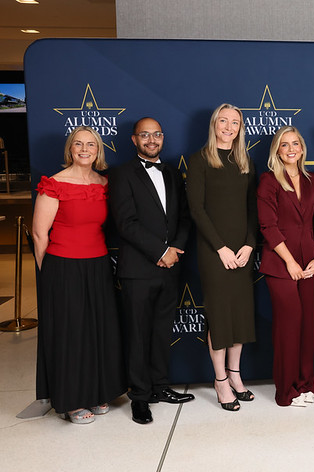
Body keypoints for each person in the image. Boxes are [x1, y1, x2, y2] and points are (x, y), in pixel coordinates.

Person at [31, 126, 126, 424]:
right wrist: (50, 275)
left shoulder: (104, 183)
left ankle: (98, 391)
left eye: (91, 145)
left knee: (98, 330)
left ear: (98, 150)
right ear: (70, 149)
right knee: (71, 334)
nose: (84, 149)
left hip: (97, 265)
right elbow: (38, 234)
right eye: (78, 144)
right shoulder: (55, 184)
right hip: (63, 266)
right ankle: (72, 401)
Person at [109, 117, 194, 425]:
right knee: (138, 334)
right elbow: (125, 222)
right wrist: (160, 251)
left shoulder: (173, 173)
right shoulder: (121, 175)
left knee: (161, 332)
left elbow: (185, 218)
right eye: (144, 135)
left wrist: (174, 251)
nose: (151, 139)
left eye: (156, 134)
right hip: (138, 269)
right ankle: (140, 397)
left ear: (162, 137)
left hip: (170, 267)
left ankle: (160, 386)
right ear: (134, 140)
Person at [186, 104, 257, 411]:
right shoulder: (200, 160)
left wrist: (250, 245)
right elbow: (197, 210)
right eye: (224, 121)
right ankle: (220, 381)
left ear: (241, 128)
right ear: (214, 124)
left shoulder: (245, 161)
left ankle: (236, 374)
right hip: (214, 251)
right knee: (220, 316)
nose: (229, 127)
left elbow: (253, 210)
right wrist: (221, 247)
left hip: (242, 251)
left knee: (240, 315)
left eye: (235, 122)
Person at [257, 126, 314, 407]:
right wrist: (290, 262)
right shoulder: (269, 180)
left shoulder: (313, 180)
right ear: (277, 150)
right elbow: (268, 226)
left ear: (302, 148)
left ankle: (305, 384)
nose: (291, 148)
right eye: (284, 145)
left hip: (309, 263)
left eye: (295, 143)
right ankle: (286, 391)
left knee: (307, 326)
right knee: (288, 326)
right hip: (280, 264)